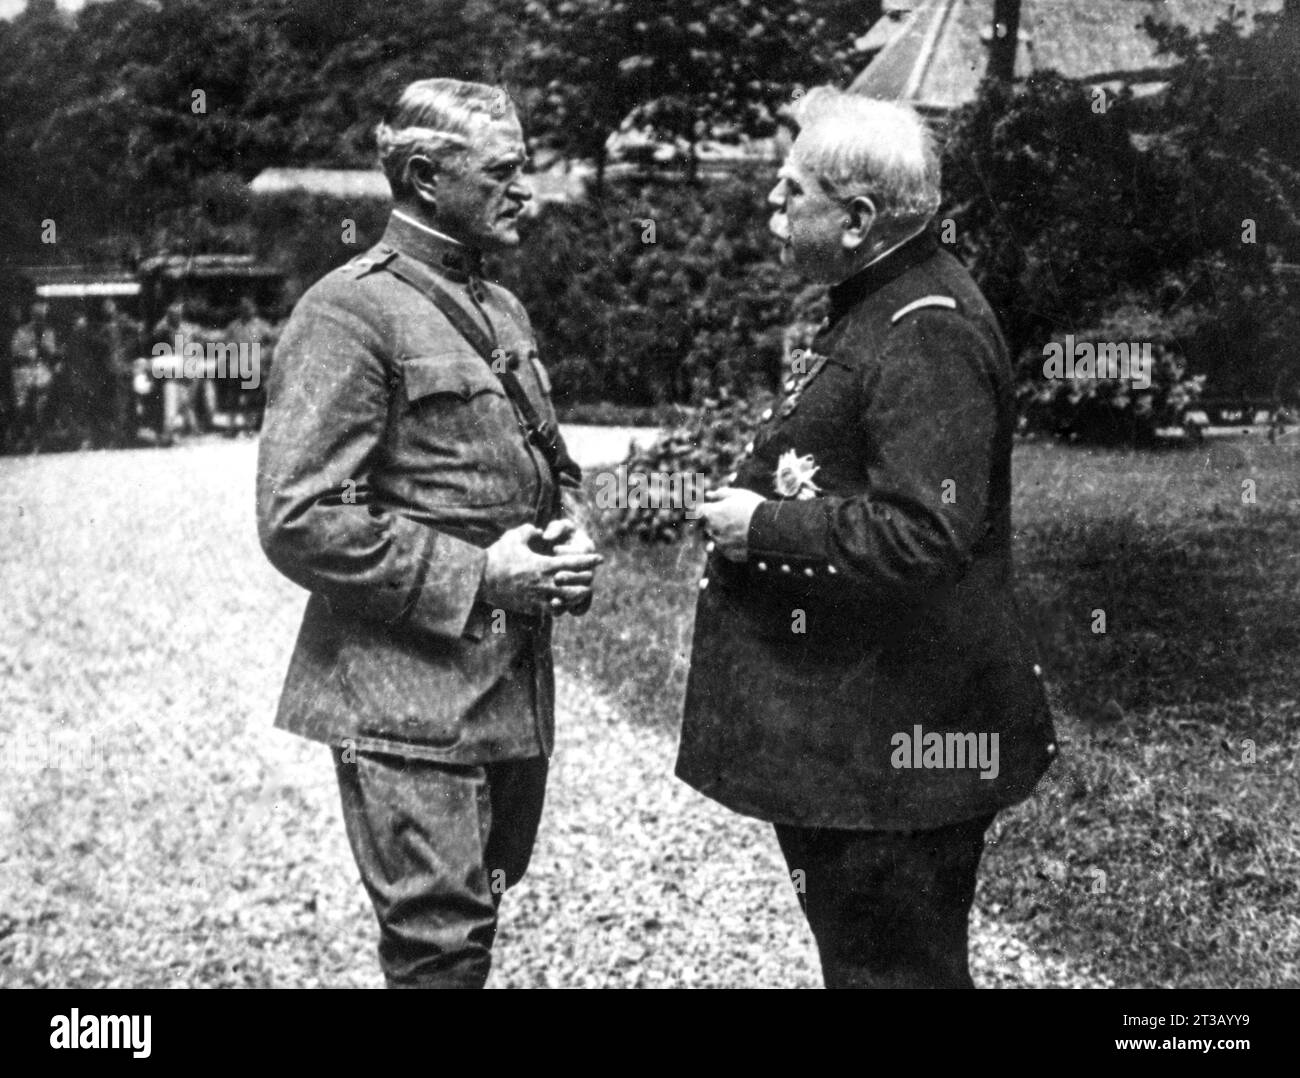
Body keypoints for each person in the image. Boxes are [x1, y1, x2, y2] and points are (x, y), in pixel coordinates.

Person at [678, 87, 1058, 989]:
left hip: (901, 748)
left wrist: (760, 525)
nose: (770, 206)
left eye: (788, 191)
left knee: (895, 976)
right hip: (872, 739)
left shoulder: (924, 330)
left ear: (856, 219)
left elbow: (926, 534)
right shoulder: (881, 299)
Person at [257, 78, 602, 989]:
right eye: (504, 173)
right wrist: (480, 577)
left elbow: (548, 465)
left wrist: (573, 533)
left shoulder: (502, 308)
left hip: (504, 689)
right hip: (405, 699)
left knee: (475, 923)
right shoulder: (346, 314)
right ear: (422, 175)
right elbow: (298, 516)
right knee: (438, 950)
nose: (525, 191)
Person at [9, 300, 60, 452]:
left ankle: (37, 441)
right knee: (22, 407)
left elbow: (51, 352)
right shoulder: (21, 331)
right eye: (37, 313)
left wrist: (47, 353)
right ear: (32, 314)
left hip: (41, 373)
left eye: (43, 313)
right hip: (24, 374)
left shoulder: (48, 332)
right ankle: (21, 439)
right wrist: (30, 354)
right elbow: (16, 353)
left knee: (41, 407)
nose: (40, 316)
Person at [222, 297, 276, 433]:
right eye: (244, 308)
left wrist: (264, 355)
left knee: (252, 397)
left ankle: (249, 426)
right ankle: (231, 426)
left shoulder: (262, 326)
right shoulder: (233, 326)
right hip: (237, 364)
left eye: (249, 308)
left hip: (254, 365)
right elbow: (226, 344)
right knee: (233, 397)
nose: (247, 310)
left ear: (254, 309)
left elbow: (272, 341)